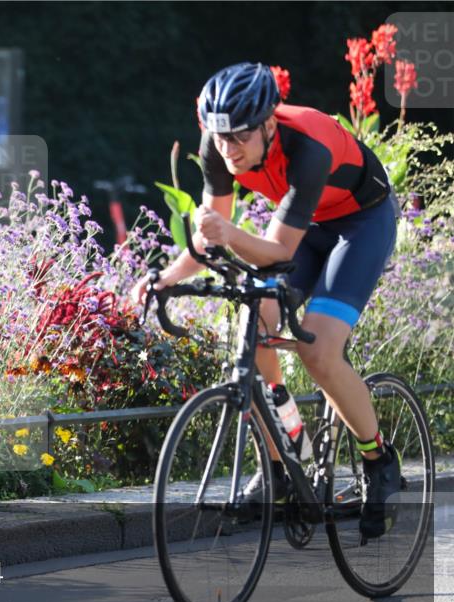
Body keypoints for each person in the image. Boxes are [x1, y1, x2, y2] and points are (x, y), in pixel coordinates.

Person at [130, 62, 402, 539]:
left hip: (360, 225)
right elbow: (211, 236)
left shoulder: (308, 148)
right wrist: (167, 278)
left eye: (238, 137)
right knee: (255, 325)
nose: (227, 148)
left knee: (319, 351)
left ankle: (378, 458)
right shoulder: (218, 146)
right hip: (307, 227)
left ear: (269, 126)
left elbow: (276, 251)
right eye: (218, 137)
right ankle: (282, 460)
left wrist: (228, 234)